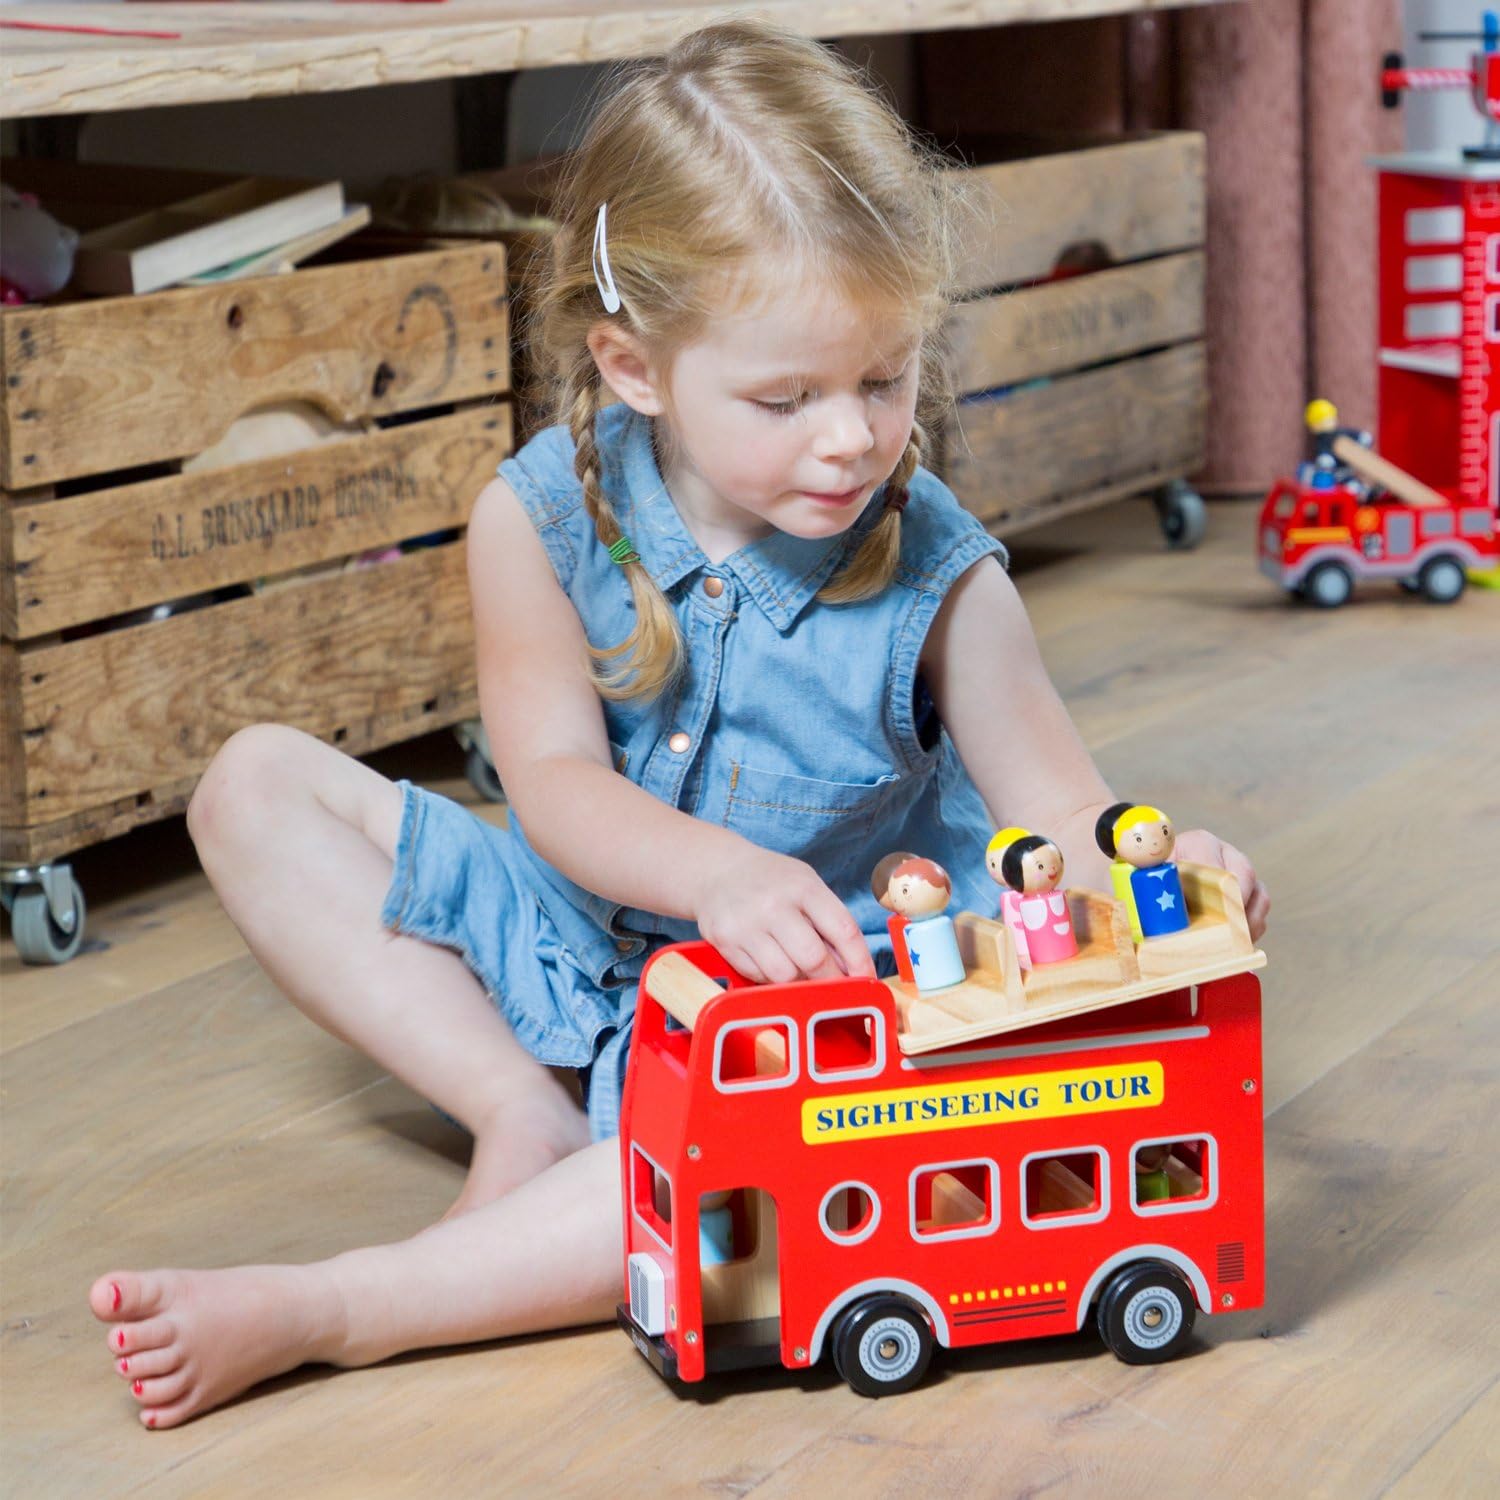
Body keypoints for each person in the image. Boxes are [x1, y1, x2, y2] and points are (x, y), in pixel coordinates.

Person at [88, 18, 1271, 1429]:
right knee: (250, 787)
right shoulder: (536, 515)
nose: (849, 436)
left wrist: (1161, 869)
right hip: (591, 944)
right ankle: (516, 1107)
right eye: (786, 397)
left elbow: (1064, 810)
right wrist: (714, 878)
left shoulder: (941, 572)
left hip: (825, 1007)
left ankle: (347, 1305)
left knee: (727, 1176)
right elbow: (552, 789)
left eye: (883, 380)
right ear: (637, 367)